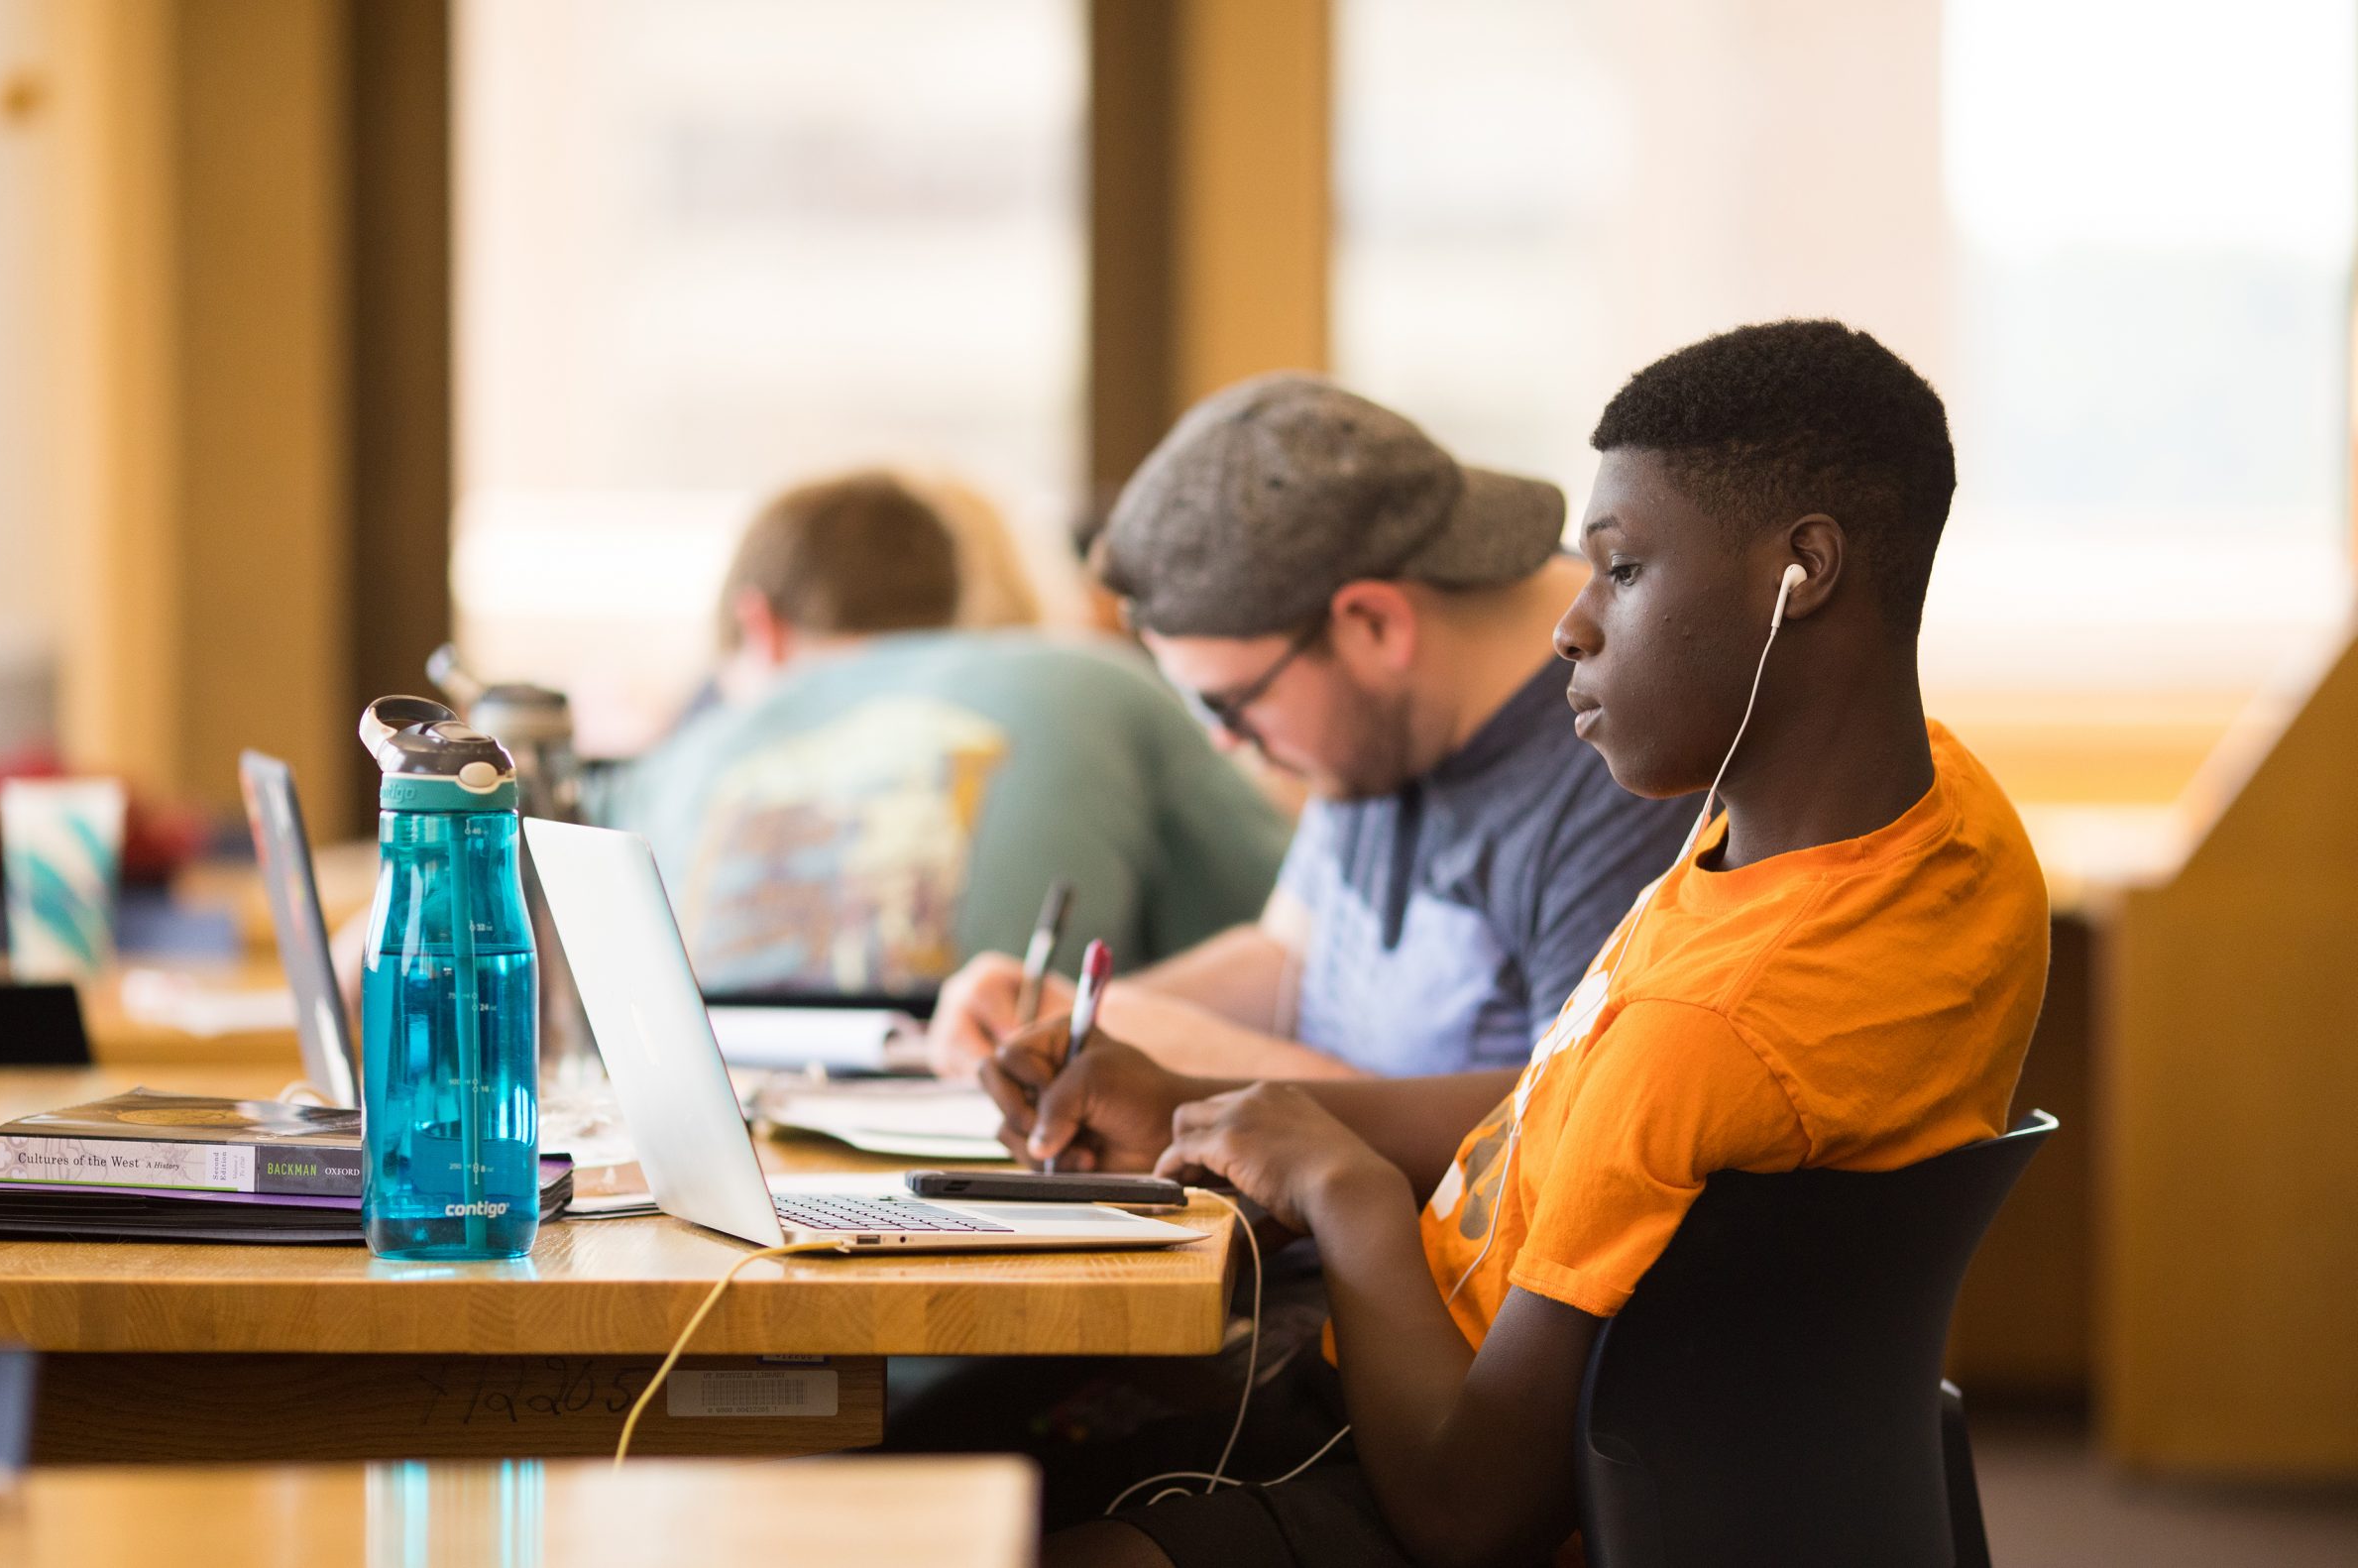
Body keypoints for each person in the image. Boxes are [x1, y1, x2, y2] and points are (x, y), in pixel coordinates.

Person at [981, 321, 2051, 1567]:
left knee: (955, 1488)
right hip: (1570, 1423)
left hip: (1435, 1467)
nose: (1569, 626)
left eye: (1623, 571)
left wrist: (1344, 1186)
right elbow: (1571, 1110)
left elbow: (1466, 1512)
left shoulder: (1707, 1031)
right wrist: (1210, 1108)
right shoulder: (1945, 834)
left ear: (1797, 573)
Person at [930, 375, 1697, 1081]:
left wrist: (1172, 1059)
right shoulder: (1385, 721)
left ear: (1371, 623)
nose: (1225, 740)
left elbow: (1548, 1141)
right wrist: (1068, 1019)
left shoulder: (1633, 766)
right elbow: (1291, 960)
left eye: (1231, 703)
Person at [584, 470, 1291, 994]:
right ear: (955, 602)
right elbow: (1292, 932)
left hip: (729, 1135)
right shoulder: (1098, 679)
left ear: (758, 627)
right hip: (1003, 1129)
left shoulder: (682, 758)